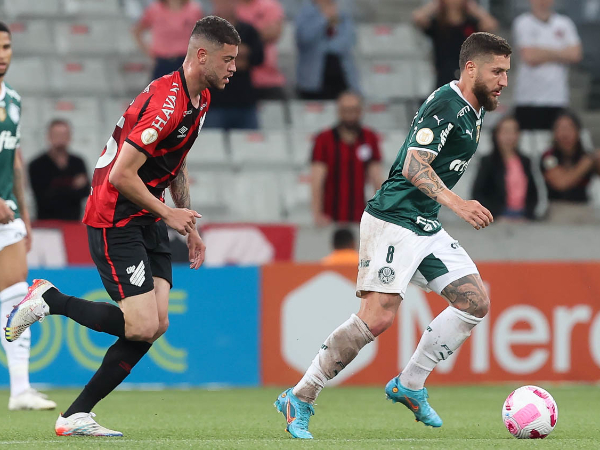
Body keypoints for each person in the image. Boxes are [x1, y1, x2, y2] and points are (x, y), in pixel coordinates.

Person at [5, 17, 240, 436]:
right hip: (115, 216)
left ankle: (75, 415)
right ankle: (50, 299)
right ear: (202, 55)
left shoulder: (200, 98)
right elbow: (121, 175)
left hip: (147, 215)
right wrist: (169, 214)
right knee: (141, 325)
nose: (234, 68)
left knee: (157, 324)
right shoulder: (166, 104)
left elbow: (176, 161)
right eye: (228, 59)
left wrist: (188, 225)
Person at [275, 32, 511, 439]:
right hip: (393, 219)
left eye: (506, 72)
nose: (504, 81)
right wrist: (459, 204)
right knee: (378, 316)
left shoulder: (474, 109)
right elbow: (413, 166)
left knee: (474, 302)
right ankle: (301, 395)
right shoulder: (447, 105)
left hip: (424, 224)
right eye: (497, 71)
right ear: (471, 68)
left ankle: (410, 383)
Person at [0, 21, 57, 412]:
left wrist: (26, 217)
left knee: (17, 299)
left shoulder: (13, 100)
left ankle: (20, 389)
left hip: (8, 217)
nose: (2, 54)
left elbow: (15, 162)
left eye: (6, 46)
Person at [311, 91, 383, 226]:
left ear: (361, 111)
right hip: (330, 217)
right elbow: (316, 180)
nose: (350, 115)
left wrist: (379, 214)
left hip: (359, 216)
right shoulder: (324, 139)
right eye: (345, 110)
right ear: (338, 111)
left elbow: (377, 179)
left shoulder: (369, 138)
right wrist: (317, 214)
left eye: (354, 110)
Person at [513, 0, 583, 130]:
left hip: (557, 98)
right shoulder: (523, 22)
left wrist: (540, 52)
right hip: (528, 99)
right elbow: (529, 56)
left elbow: (575, 55)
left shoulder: (565, 23)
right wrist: (562, 52)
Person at [204, 0, 264, 130]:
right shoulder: (204, 31)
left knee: (249, 142)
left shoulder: (248, 30)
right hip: (214, 104)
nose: (226, 5)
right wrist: (240, 53)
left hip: (244, 102)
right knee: (213, 141)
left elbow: (258, 59)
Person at [413, 0, 498, 88]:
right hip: (443, 74)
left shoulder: (470, 24)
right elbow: (418, 18)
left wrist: (474, 9)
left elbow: (491, 24)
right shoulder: (438, 24)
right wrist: (435, 5)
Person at [471, 116, 539, 220]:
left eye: (513, 131)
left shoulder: (525, 161)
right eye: (505, 132)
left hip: (523, 216)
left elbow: (533, 193)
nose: (509, 136)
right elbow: (478, 193)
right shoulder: (488, 161)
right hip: (498, 216)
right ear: (496, 135)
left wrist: (528, 214)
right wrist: (495, 215)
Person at [540, 112, 600, 221]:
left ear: (578, 131)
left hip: (584, 207)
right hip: (557, 208)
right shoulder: (548, 157)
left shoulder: (586, 155)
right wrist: (587, 162)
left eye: (569, 128)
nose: (565, 133)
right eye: (560, 128)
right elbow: (561, 183)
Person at [295, 0, 360, 100]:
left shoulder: (343, 14)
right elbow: (304, 39)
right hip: (312, 83)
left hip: (342, 79)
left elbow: (347, 42)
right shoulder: (305, 13)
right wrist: (324, 18)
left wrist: (325, 43)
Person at [28, 119, 90, 221]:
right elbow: (43, 198)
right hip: (46, 223)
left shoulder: (78, 162)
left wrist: (58, 189)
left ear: (70, 137)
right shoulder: (37, 165)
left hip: (73, 222)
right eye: (57, 135)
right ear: (49, 137)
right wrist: (73, 185)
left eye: (64, 135)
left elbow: (86, 191)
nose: (61, 139)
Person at [132, 0, 204, 80]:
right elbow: (137, 31)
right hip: (162, 62)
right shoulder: (155, 10)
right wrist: (149, 52)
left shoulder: (194, 10)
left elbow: (203, 36)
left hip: (186, 62)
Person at [236, 0, 286, 99]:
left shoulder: (269, 5)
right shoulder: (231, 6)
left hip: (268, 80)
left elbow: (273, 32)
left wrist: (244, 37)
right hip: (238, 79)